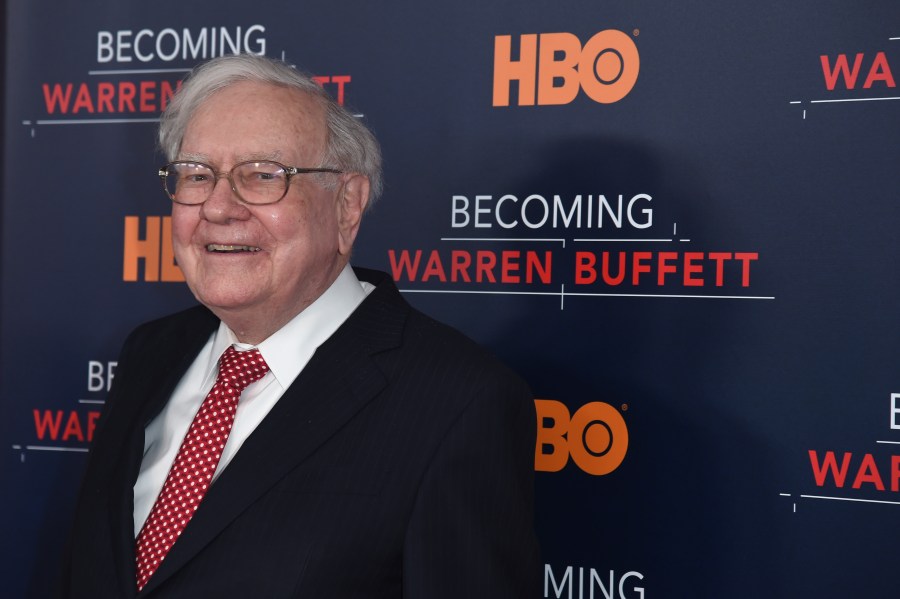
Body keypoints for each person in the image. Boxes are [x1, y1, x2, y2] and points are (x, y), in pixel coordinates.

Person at [63, 54, 540, 598]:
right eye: (197, 175)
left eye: (263, 176)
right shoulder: (151, 352)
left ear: (347, 206)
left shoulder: (459, 401)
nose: (219, 207)